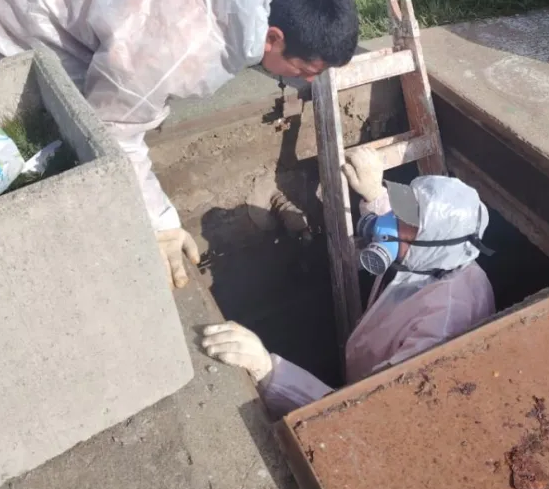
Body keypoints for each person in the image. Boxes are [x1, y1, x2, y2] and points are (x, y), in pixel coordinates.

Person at [0, 0, 359, 287]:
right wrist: (160, 222)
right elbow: (109, 133)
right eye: (307, 71)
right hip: (15, 5)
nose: (309, 82)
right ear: (273, 37)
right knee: (61, 125)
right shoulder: (177, 47)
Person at [202, 147, 495, 417]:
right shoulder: (442, 258)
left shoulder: (442, 325)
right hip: (365, 363)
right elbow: (406, 229)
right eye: (401, 210)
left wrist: (268, 372)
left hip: (369, 405)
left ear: (433, 245)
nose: (386, 227)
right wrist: (374, 195)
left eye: (407, 225)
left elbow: (364, 415)